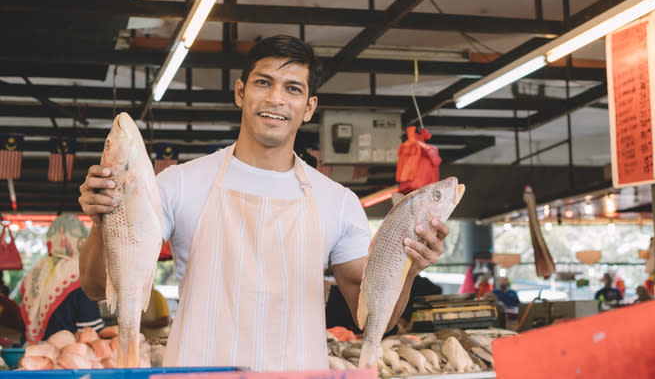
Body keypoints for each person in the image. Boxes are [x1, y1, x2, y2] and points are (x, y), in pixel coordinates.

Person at [77, 35, 450, 371]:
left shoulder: (338, 202)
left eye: (292, 89)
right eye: (263, 82)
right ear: (240, 92)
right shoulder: (178, 183)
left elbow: (367, 321)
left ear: (309, 107)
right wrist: (102, 220)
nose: (275, 98)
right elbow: (97, 288)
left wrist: (409, 270)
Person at [20, 214, 104, 343]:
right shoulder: (81, 273)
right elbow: (90, 332)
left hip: (30, 353)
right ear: (81, 241)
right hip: (66, 356)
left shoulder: (34, 272)